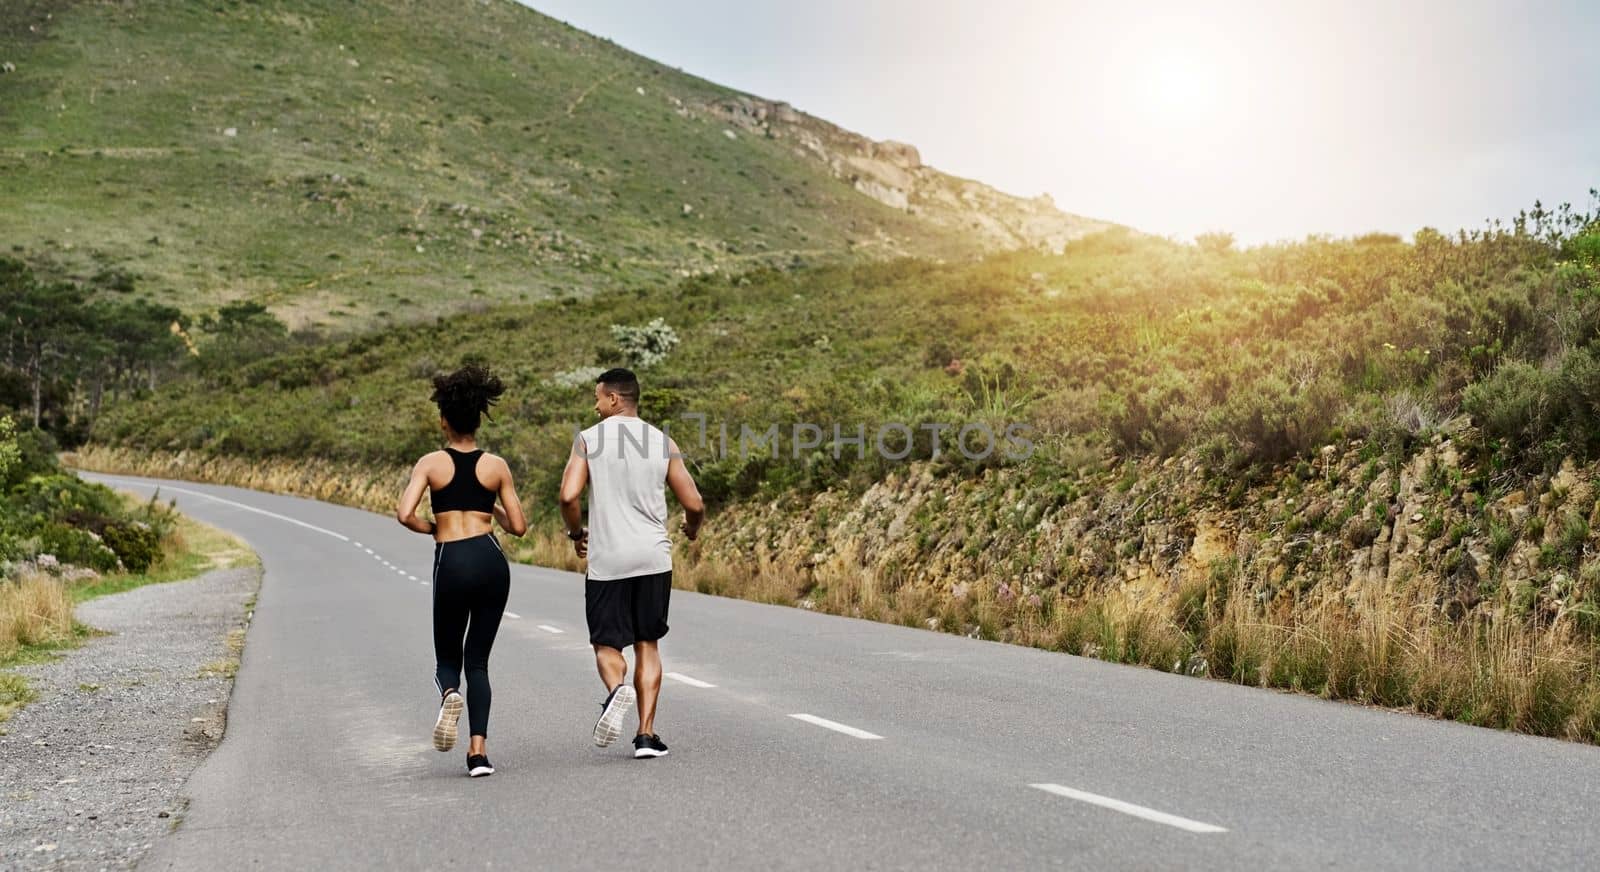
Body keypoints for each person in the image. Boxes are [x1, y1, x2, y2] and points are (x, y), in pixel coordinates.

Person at [559, 368, 704, 759]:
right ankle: (645, 734)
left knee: (607, 643)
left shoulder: (588, 440)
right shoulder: (662, 441)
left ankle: (615, 691)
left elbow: (568, 496)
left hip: (608, 560)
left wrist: (576, 535)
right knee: (648, 644)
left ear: (614, 399)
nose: (595, 405)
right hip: (653, 556)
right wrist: (691, 530)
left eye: (597, 397)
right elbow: (694, 503)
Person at [397, 364, 527, 777]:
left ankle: (449, 693)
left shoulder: (431, 463)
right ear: (477, 421)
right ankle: (478, 754)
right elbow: (519, 527)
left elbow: (404, 514)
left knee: (447, 657)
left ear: (444, 420)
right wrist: (491, 508)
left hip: (451, 557)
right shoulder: (497, 466)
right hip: (490, 558)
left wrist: (435, 527)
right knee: (480, 661)